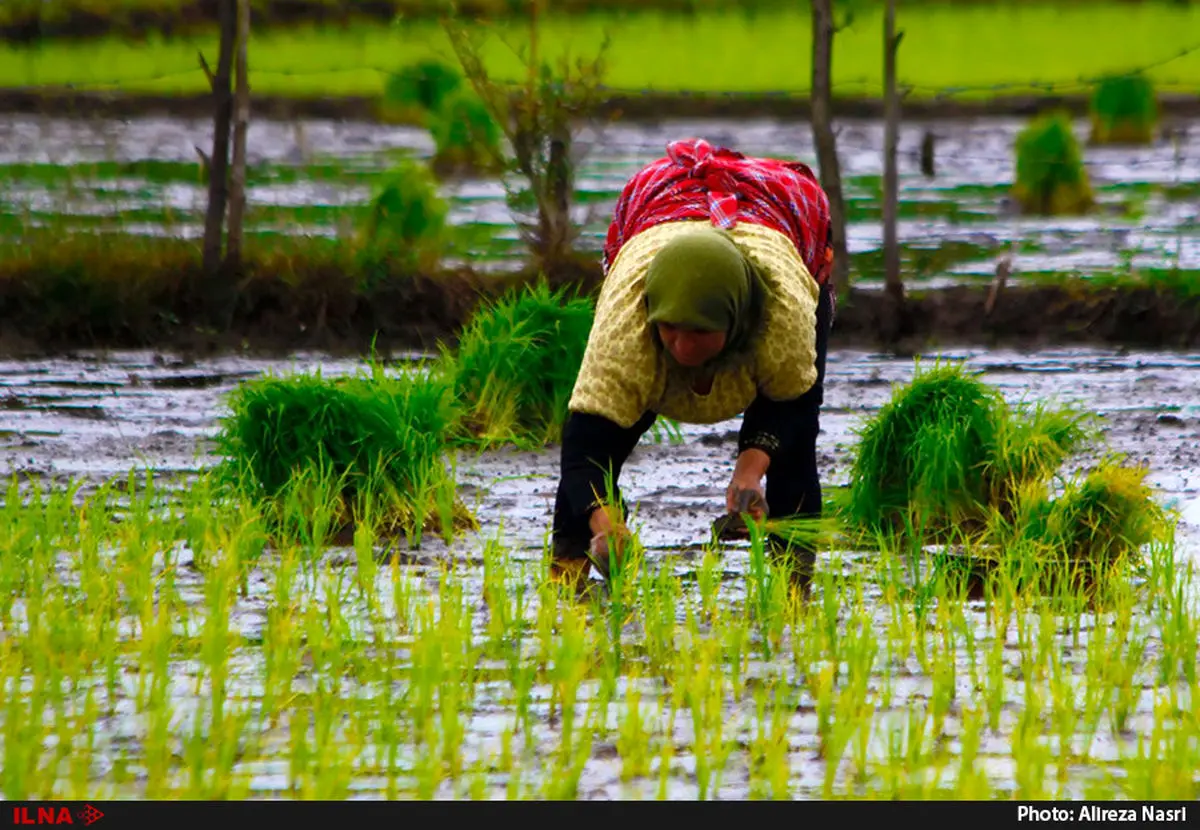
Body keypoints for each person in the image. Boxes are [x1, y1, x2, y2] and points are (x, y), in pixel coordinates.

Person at [549, 137, 835, 597]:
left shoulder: (784, 314)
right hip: (658, 220)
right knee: (603, 446)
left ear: (734, 320)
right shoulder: (628, 329)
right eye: (672, 329)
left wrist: (749, 473)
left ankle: (793, 588)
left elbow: (792, 409)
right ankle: (567, 581)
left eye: (700, 332)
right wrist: (606, 526)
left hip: (776, 230)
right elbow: (582, 452)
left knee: (794, 456)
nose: (682, 347)